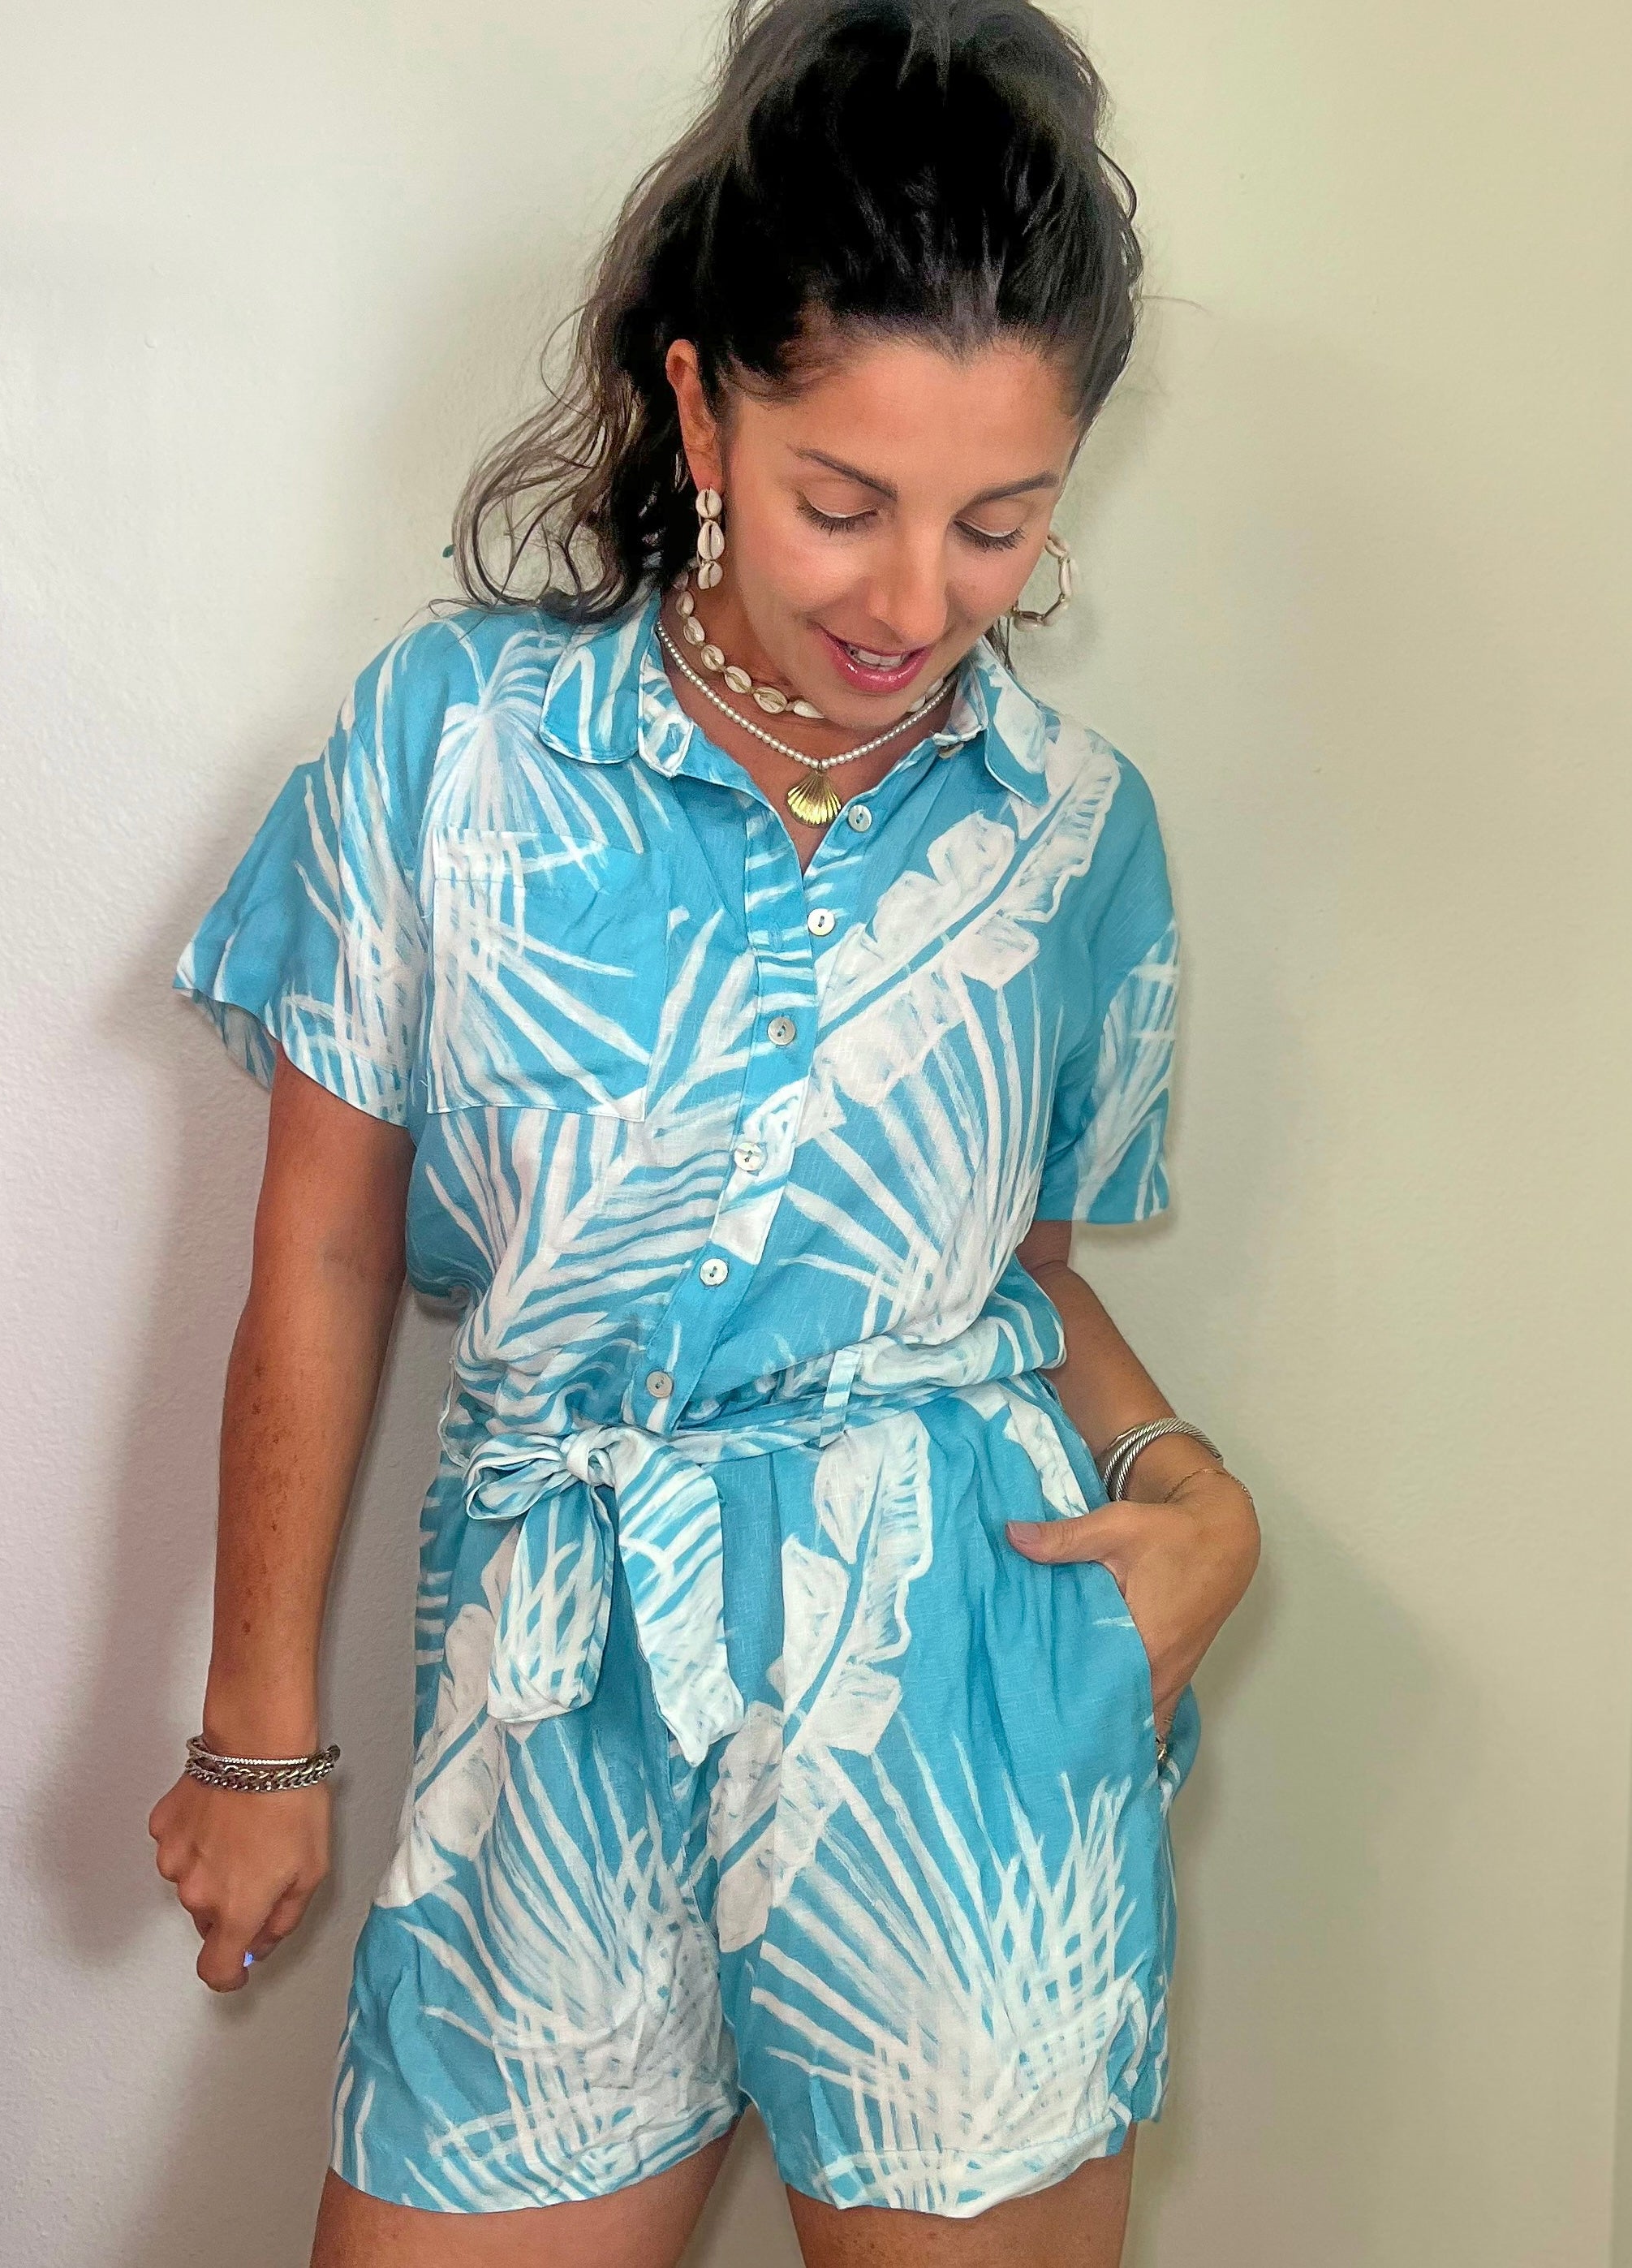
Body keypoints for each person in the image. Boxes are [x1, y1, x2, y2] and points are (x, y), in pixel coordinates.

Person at [147, 2, 1261, 2261]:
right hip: (550, 1704)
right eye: (847, 502)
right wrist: (257, 1726)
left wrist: (1190, 1493)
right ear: (698, 407)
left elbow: (1008, 1278)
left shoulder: (1075, 831)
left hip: (958, 1711)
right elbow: (325, 1251)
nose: (916, 601)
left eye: (999, 522)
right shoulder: (452, 746)